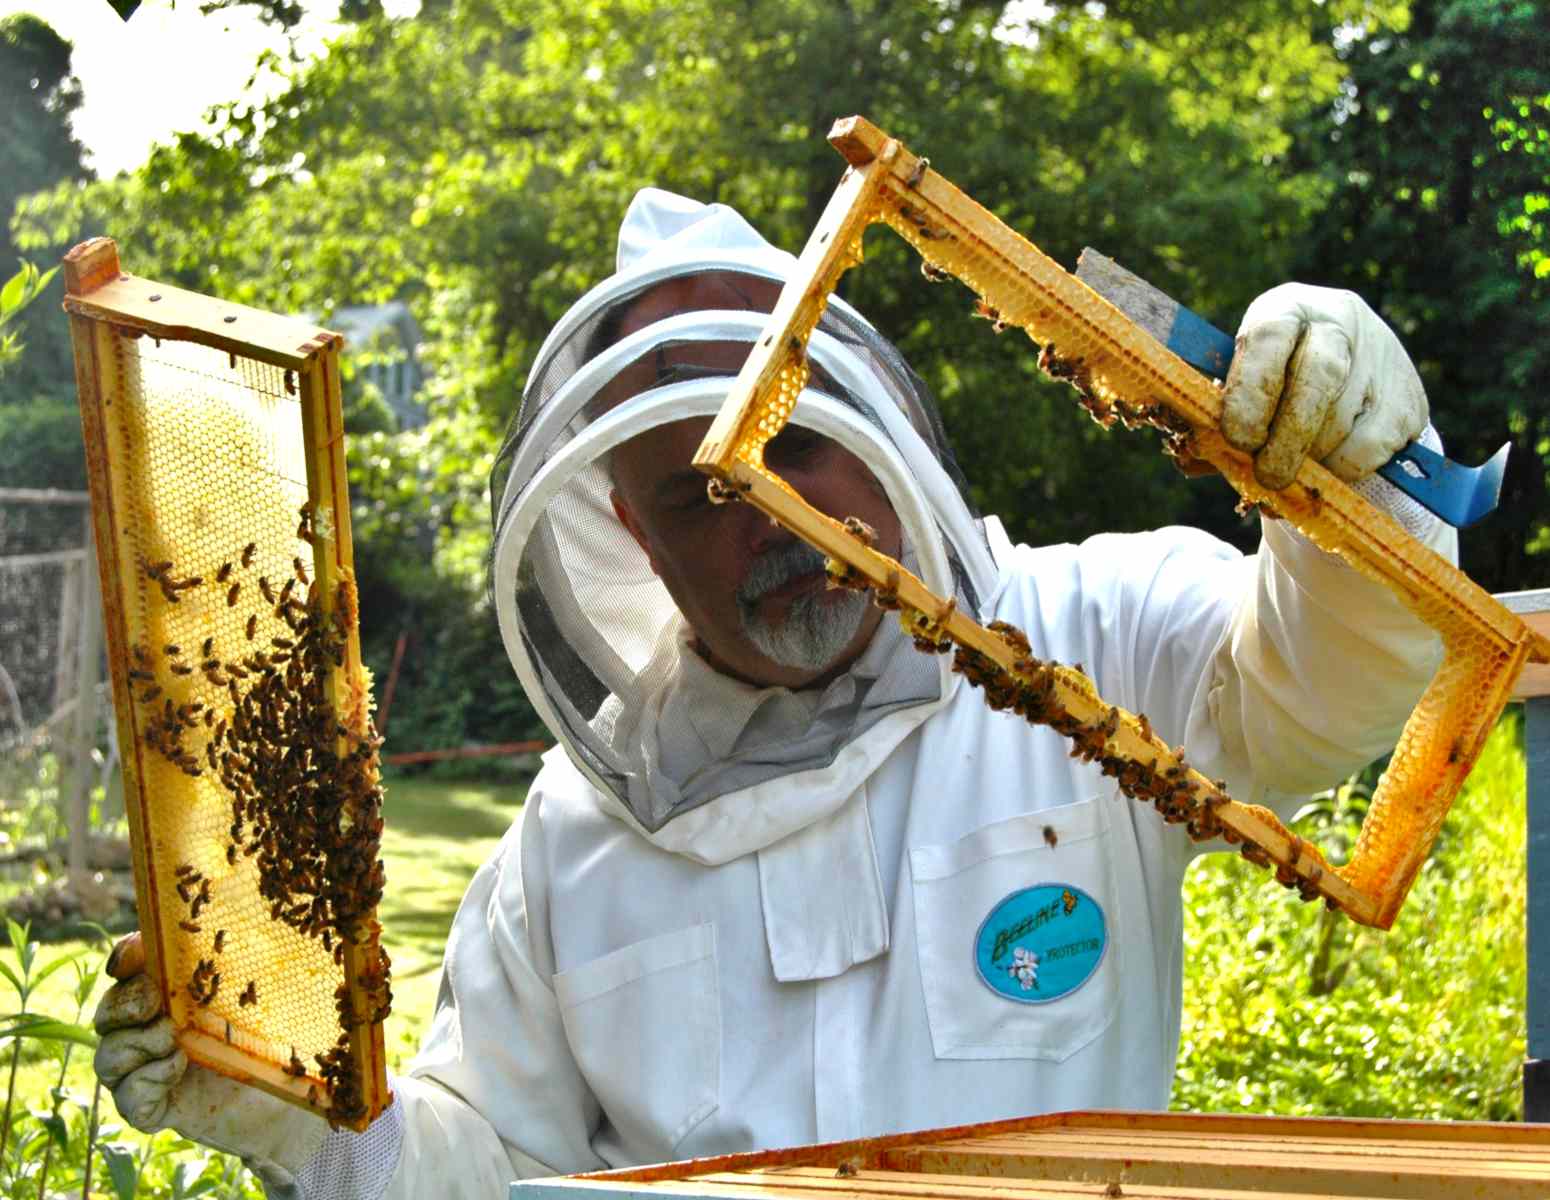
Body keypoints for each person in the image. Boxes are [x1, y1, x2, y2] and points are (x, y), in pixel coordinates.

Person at [91, 189, 1454, 1200]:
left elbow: (1322, 683)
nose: (772, 512)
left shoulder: (1089, 633)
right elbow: (489, 1166)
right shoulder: (574, 838)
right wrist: (295, 1115)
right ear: (630, 536)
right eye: (698, 494)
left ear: (866, 403)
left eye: (789, 439)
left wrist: (1363, 471)